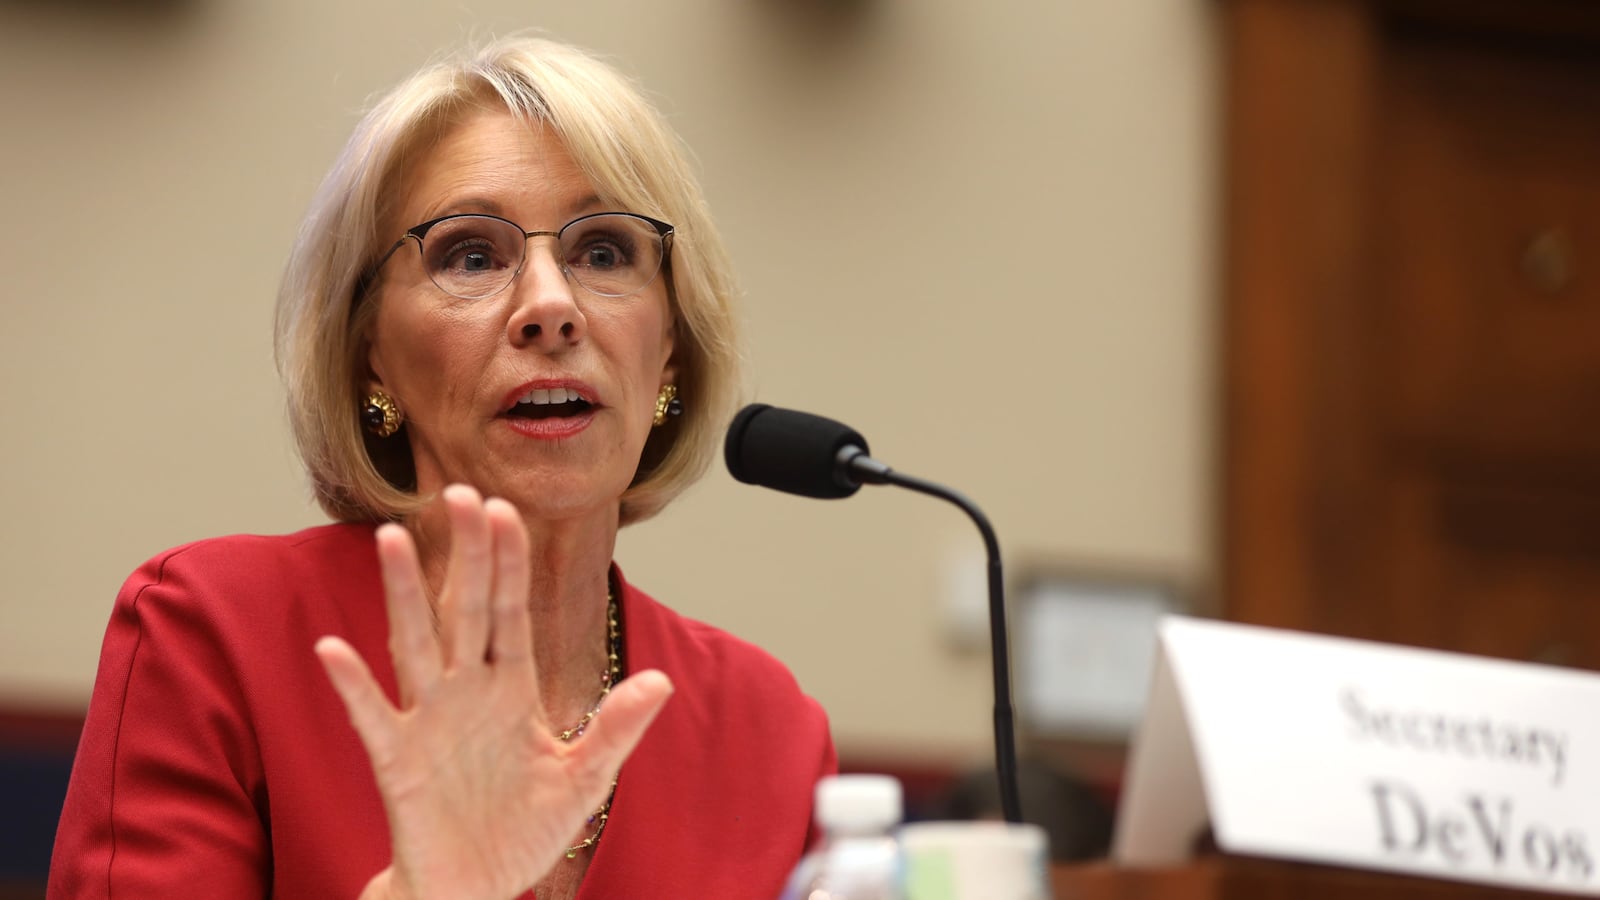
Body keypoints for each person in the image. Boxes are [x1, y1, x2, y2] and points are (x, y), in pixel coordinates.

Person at [50, 35, 835, 900]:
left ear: (673, 350)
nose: (551, 307)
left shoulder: (773, 733)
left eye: (604, 252)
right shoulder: (215, 637)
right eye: (471, 254)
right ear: (370, 357)